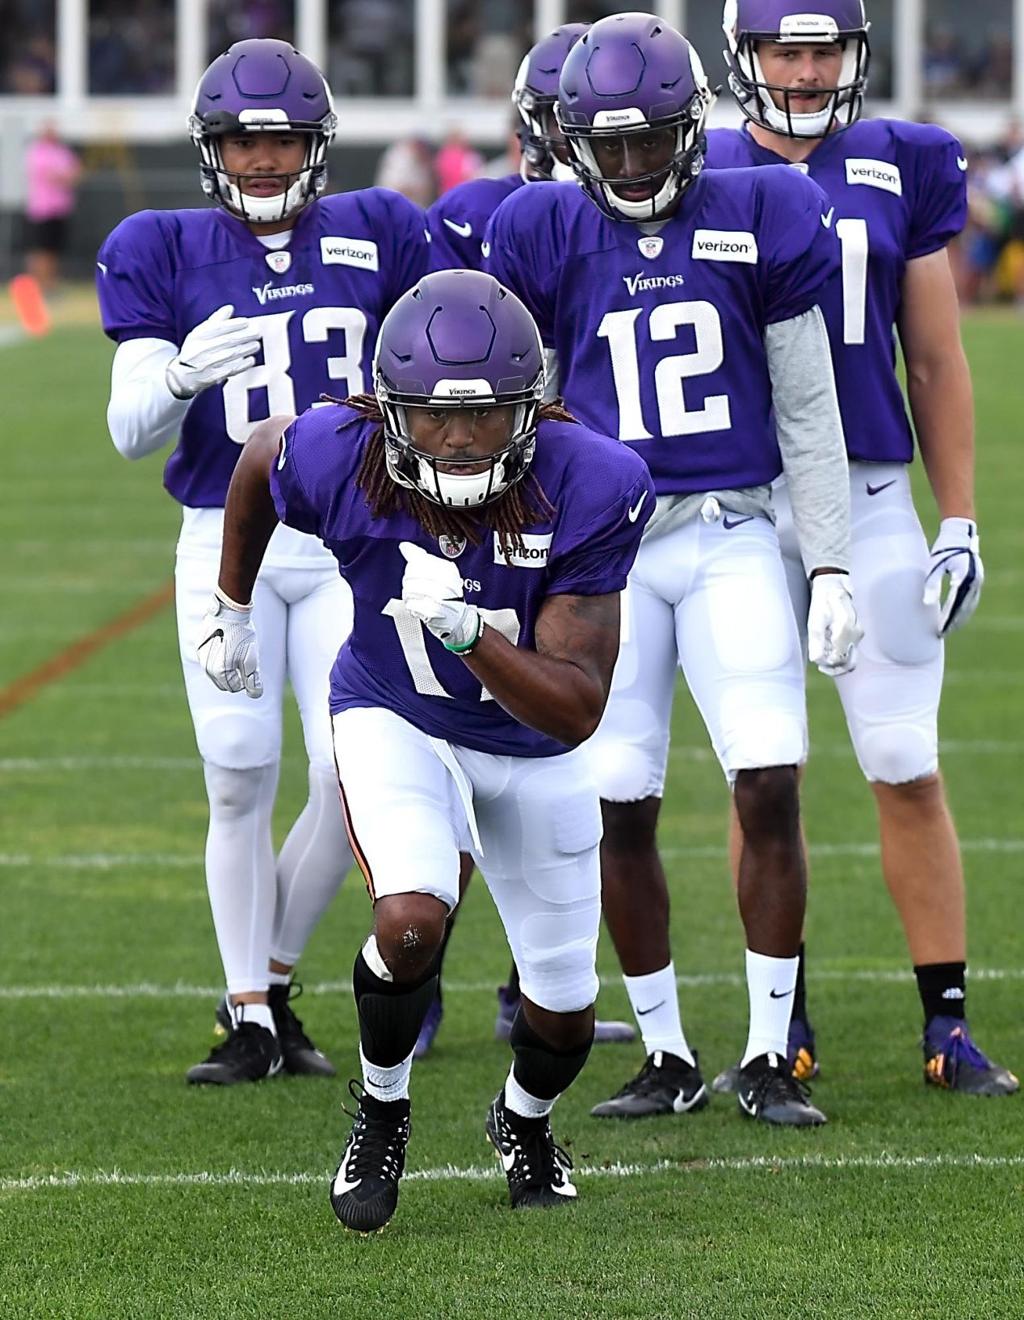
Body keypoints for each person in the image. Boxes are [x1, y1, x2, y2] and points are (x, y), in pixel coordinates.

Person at [201, 268, 655, 1232]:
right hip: (392, 712)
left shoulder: (594, 479)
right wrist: (231, 606)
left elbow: (575, 710)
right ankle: (381, 1109)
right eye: (434, 416)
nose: (456, 439)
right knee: (409, 922)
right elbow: (255, 463)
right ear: (388, 407)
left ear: (530, 406)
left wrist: (474, 637)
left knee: (566, 1013)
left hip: (530, 747)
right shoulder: (339, 451)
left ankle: (522, 1123)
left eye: (485, 416)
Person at [487, 11, 861, 1126]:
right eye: (613, 146)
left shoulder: (765, 207)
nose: (635, 164)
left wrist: (830, 564)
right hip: (606, 556)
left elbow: (806, 403)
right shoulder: (544, 231)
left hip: (729, 531)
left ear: (691, 129)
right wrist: (519, 567)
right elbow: (530, 416)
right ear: (574, 142)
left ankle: (763, 1048)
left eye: (652, 140)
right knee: (620, 801)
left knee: (770, 777)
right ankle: (662, 1051)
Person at [97, 38, 431, 1085]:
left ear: (315, 144)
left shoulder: (379, 231)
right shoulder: (162, 246)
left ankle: (268, 980)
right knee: (239, 775)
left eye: (282, 139)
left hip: (349, 542)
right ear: (213, 148)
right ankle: (251, 1012)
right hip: (224, 536)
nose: (263, 161)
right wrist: (178, 377)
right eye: (244, 140)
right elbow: (127, 430)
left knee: (350, 773)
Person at [704, 0, 1017, 1096]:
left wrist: (959, 516)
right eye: (784, 46)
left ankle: (947, 1025)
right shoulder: (695, 164)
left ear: (852, 51)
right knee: (761, 775)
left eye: (821, 44)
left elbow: (930, 360)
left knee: (905, 764)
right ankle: (776, 1025)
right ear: (744, 56)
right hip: (739, 505)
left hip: (871, 493)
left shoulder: (902, 159)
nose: (803, 66)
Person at [420, 21, 636, 1055]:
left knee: (571, 763)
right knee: (459, 746)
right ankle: (421, 979)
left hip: (600, 512)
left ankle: (531, 979)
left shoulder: (641, 216)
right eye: (553, 120)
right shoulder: (469, 217)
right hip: (483, 510)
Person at [24, 122, 81, 295]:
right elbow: (53, 176)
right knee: (42, 250)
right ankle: (39, 285)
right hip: (43, 209)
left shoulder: (62, 151)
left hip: (60, 208)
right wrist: (65, 176)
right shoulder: (37, 152)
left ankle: (51, 285)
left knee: (54, 250)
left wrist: (66, 176)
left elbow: (75, 173)